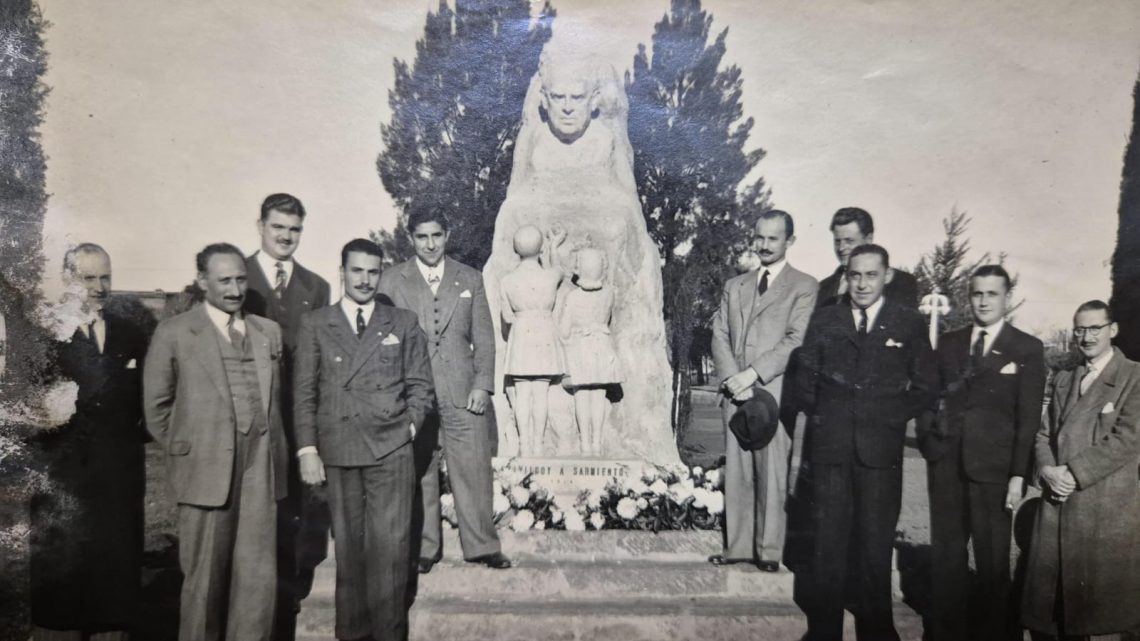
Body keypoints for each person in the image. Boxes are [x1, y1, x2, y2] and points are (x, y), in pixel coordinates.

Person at [144, 243, 289, 641]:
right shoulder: (175, 332)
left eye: (241, 279)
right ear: (203, 281)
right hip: (205, 472)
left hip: (261, 467)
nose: (234, 289)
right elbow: (157, 408)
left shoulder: (266, 333)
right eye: (224, 280)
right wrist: (190, 450)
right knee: (204, 581)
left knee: (257, 579)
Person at [293, 239, 435, 641]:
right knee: (350, 553)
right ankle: (352, 634)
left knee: (390, 551)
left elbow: (421, 385)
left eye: (373, 272)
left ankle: (389, 634)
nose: (365, 280)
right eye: (357, 271)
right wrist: (308, 449)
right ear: (343, 272)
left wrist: (408, 428)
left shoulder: (401, 322)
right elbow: (305, 391)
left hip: (390, 449)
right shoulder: (317, 324)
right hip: (339, 449)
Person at [795, 243, 937, 641]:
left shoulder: (907, 322)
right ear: (846, 276)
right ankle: (824, 633)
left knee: (875, 550)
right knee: (828, 548)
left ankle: (877, 632)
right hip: (831, 453)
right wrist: (830, 417)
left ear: (887, 276)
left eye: (871, 275)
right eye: (854, 275)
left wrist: (890, 416)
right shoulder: (826, 319)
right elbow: (805, 381)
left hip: (880, 455)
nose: (861, 283)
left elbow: (926, 385)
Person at [918, 265, 1045, 641]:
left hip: (994, 472)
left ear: (1006, 298)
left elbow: (1028, 418)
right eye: (977, 293)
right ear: (968, 296)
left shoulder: (1026, 348)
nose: (984, 301)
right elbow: (928, 396)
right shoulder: (950, 343)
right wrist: (930, 443)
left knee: (992, 563)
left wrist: (1018, 475)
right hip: (947, 469)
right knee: (947, 560)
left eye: (992, 294)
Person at [30, 244, 151, 641]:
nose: (99, 287)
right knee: (64, 593)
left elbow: (147, 403)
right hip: (64, 482)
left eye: (105, 278)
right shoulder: (41, 333)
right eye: (88, 278)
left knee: (113, 593)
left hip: (118, 479)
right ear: (68, 281)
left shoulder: (131, 334)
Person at [378, 210, 509, 574]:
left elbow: (484, 338)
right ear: (411, 238)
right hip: (413, 394)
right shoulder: (391, 280)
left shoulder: (470, 278)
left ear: (447, 235)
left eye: (436, 235)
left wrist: (483, 384)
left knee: (473, 469)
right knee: (420, 470)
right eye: (422, 237)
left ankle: (482, 545)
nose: (430, 244)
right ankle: (424, 549)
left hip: (463, 391)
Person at [1022, 300, 1140, 640]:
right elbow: (1043, 433)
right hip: (1057, 503)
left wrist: (1073, 474)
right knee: (1054, 616)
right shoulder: (1064, 378)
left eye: (1094, 328)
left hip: (1104, 509)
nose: (1086, 337)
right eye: (1079, 329)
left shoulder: (1133, 376)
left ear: (1112, 330)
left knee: (1103, 615)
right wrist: (1047, 470)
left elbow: (1127, 439)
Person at [242, 193, 332, 635]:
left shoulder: (316, 287)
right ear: (260, 225)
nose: (285, 237)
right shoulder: (236, 277)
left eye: (294, 229)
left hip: (295, 419)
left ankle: (286, 599)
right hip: (247, 417)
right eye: (278, 227)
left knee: (292, 508)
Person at [708, 210, 818, 573]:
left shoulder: (804, 286)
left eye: (773, 238)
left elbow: (796, 340)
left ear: (790, 241)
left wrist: (753, 374)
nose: (765, 245)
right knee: (738, 472)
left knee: (771, 474)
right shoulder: (734, 286)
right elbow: (720, 334)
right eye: (760, 237)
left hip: (773, 395)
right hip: (735, 394)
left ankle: (769, 551)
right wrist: (732, 378)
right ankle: (738, 547)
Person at [500, 224, 568, 456]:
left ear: (515, 249)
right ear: (540, 248)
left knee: (521, 394)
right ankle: (538, 444)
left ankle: (524, 445)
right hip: (544, 335)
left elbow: (507, 316)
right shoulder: (549, 276)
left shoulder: (507, 280)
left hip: (521, 336)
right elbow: (559, 269)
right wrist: (554, 247)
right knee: (540, 394)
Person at [558, 246, 621, 455]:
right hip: (602, 346)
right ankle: (596, 442)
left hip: (580, 349)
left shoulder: (574, 297)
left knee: (582, 397)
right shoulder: (609, 294)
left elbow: (564, 330)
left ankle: (585, 442)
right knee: (598, 396)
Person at [815, 207, 918, 309]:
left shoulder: (900, 282)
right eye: (837, 241)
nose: (841, 248)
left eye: (849, 241)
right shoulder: (822, 287)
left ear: (869, 239)